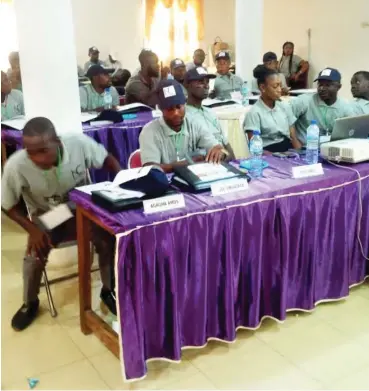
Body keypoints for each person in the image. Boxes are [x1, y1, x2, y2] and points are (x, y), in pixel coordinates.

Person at [1, 117, 121, 331]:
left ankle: (108, 289)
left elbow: (108, 160)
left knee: (107, 239)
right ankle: (30, 302)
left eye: (42, 150)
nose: (36, 158)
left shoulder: (77, 143)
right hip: (51, 215)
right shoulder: (17, 165)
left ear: (57, 141)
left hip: (83, 207)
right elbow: (7, 204)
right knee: (34, 253)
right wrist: (32, 229)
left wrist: (121, 186)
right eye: (30, 151)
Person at [139, 79, 226, 173]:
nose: (176, 113)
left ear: (184, 104)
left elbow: (218, 148)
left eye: (178, 107)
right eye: (169, 109)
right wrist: (188, 163)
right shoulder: (149, 131)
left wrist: (218, 150)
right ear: (160, 109)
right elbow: (150, 169)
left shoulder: (194, 123)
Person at [290, 67, 355, 145]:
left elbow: (352, 129)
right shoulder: (304, 100)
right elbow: (287, 119)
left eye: (327, 85)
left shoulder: (345, 106)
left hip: (331, 149)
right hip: (305, 148)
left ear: (338, 87)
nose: (322, 88)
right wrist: (296, 143)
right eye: (320, 84)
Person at [244, 65, 301, 153]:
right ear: (263, 88)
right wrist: (278, 158)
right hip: (268, 152)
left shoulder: (284, 106)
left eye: (280, 86)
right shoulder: (254, 113)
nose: (279, 90)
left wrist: (300, 155)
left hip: (287, 149)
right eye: (275, 86)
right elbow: (255, 148)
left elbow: (293, 138)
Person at [185, 67, 235, 159]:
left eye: (207, 82)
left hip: (224, 160)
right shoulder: (184, 116)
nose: (206, 86)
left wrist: (230, 158)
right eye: (201, 82)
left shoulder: (210, 112)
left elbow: (226, 143)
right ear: (187, 85)